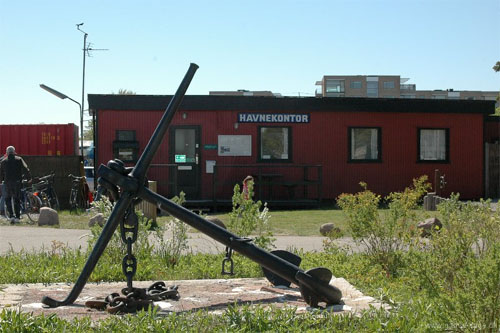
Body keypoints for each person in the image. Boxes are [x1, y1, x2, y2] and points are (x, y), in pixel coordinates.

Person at [0, 146, 31, 223]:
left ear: (7, 153)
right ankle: (17, 217)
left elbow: (0, 173)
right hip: (17, 182)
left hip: (7, 183)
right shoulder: (19, 159)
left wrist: (1, 181)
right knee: (17, 199)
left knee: (8, 199)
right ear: (14, 152)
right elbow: (26, 169)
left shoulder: (3, 161)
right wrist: (29, 178)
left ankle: (11, 216)